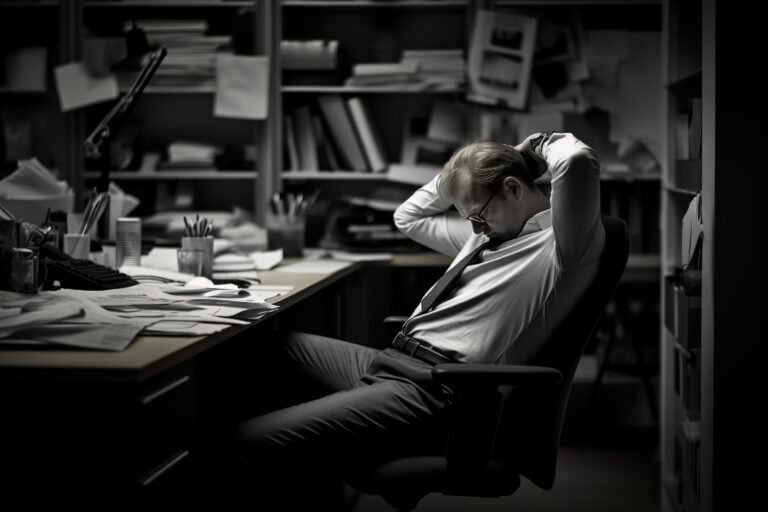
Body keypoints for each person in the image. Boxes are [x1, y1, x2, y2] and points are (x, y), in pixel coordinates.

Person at [228, 131, 605, 508]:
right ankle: (347, 451)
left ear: (513, 188)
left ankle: (352, 450)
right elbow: (406, 216)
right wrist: (462, 173)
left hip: (435, 387)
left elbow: (576, 162)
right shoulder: (486, 235)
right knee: (267, 348)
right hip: (392, 361)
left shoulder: (563, 249)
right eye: (468, 217)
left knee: (250, 440)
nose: (474, 228)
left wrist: (533, 148)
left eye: (479, 214)